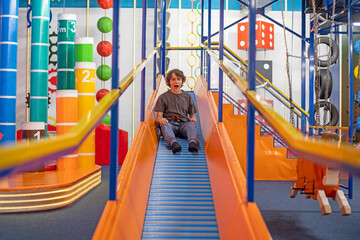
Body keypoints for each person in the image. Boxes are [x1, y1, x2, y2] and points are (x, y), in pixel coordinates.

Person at [154, 69, 200, 154]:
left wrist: (193, 119)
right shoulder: (163, 97)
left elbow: (192, 116)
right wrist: (161, 120)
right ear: (169, 82)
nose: (176, 82)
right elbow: (158, 118)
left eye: (178, 79)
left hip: (183, 124)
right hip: (170, 124)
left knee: (192, 125)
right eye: (173, 79)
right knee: (164, 125)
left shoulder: (188, 96)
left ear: (182, 81)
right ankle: (174, 143)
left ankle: (193, 143)